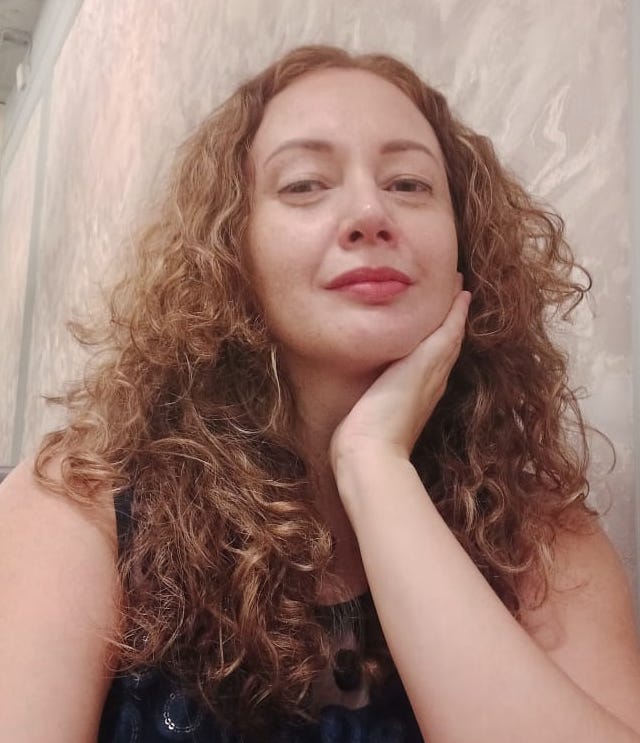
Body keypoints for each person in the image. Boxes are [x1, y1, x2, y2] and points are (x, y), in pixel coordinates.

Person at [1, 44, 639, 743]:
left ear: (465, 244)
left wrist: (374, 465)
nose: (369, 212)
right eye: (305, 185)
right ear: (230, 249)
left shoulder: (542, 536)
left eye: (409, 184)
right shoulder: (78, 507)